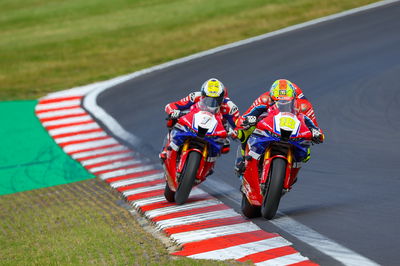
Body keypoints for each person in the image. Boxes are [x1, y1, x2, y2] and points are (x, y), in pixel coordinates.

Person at [235, 79, 324, 180]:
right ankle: (243, 158)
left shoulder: (304, 105)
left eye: (287, 102)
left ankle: (292, 175)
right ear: (272, 97)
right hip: (268, 125)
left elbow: (315, 128)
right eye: (277, 101)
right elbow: (243, 118)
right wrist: (249, 120)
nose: (282, 104)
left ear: (294, 99)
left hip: (292, 130)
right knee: (244, 130)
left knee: (306, 153)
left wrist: (316, 133)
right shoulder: (264, 99)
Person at [160, 78, 240, 161]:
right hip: (192, 122)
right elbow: (171, 105)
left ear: (222, 97)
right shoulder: (195, 96)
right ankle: (166, 149)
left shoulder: (230, 107)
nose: (211, 102)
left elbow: (238, 124)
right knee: (173, 121)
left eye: (216, 99)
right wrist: (173, 111)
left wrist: (235, 132)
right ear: (202, 95)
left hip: (217, 130)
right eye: (207, 98)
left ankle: (210, 162)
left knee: (225, 147)